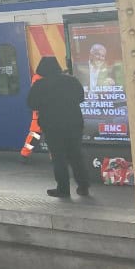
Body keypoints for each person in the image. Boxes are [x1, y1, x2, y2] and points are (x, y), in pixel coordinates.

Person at [27, 56, 91, 198]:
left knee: (58, 158)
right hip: (74, 124)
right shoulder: (71, 81)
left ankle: (63, 189)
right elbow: (81, 97)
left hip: (52, 126)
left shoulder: (39, 85)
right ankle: (83, 187)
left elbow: (32, 103)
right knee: (76, 155)